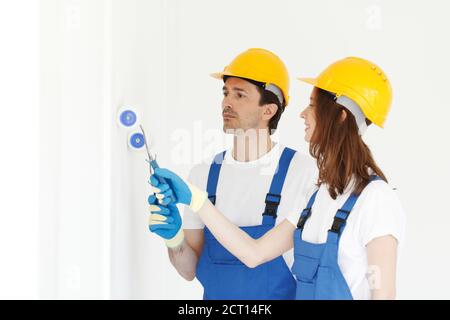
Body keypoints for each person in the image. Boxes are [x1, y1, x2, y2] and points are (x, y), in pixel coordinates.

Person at [149, 57, 406, 300]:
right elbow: (253, 253)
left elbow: (383, 295)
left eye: (313, 105)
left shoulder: (375, 200)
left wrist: (197, 201)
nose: (302, 113)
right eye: (225, 93)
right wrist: (192, 209)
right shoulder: (318, 197)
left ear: (340, 117)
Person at [148, 48, 317, 299]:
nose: (227, 102)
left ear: (268, 110)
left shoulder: (302, 172)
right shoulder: (202, 174)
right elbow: (188, 271)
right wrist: (173, 240)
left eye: (240, 95)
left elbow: (265, 257)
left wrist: (198, 201)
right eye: (226, 93)